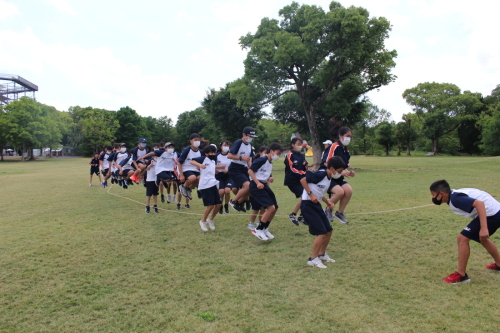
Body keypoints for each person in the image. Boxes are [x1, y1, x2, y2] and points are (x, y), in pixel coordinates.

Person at [430, 180, 500, 284]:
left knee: (462, 238)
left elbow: (479, 204)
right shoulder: (454, 196)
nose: (433, 198)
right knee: (483, 239)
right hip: (494, 210)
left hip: (493, 214)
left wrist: (484, 228)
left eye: (433, 194)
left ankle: (461, 275)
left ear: (441, 194)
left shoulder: (456, 199)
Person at [300, 156, 346, 268]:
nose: (339, 173)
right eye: (339, 171)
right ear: (331, 168)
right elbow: (303, 180)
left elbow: (319, 191)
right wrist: (310, 194)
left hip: (316, 205)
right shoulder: (321, 174)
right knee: (321, 232)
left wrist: (328, 202)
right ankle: (313, 259)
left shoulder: (329, 178)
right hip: (308, 205)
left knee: (328, 230)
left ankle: (321, 255)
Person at [248, 143, 284, 241]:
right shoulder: (261, 160)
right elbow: (250, 171)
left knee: (275, 207)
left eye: (280, 154)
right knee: (270, 207)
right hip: (256, 186)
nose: (278, 156)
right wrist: (257, 183)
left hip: (264, 185)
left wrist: (269, 178)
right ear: (271, 151)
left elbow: (262, 173)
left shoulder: (270, 162)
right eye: (278, 153)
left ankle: (264, 228)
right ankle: (258, 229)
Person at [323, 126, 355, 224]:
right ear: (340, 136)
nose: (348, 138)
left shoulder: (346, 151)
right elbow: (326, 163)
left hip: (338, 176)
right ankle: (327, 210)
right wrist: (340, 171)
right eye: (347, 136)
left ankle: (339, 213)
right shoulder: (334, 146)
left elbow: (343, 166)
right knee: (340, 192)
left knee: (348, 191)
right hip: (328, 175)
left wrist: (349, 172)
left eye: (350, 136)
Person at [190, 145, 226, 231]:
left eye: (214, 152)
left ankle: (210, 219)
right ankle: (202, 221)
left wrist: (215, 169)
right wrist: (200, 165)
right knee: (210, 205)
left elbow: (210, 167)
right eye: (211, 152)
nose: (213, 154)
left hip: (213, 183)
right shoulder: (203, 158)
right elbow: (192, 162)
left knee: (219, 204)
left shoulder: (213, 160)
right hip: (205, 185)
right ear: (206, 153)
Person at [227, 126, 257, 212]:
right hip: (235, 168)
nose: (250, 138)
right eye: (249, 136)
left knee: (252, 188)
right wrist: (241, 158)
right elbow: (229, 155)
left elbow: (249, 159)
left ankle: (239, 202)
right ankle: (233, 201)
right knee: (247, 186)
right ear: (244, 135)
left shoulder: (250, 145)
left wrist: (252, 169)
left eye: (252, 137)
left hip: (244, 169)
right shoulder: (238, 143)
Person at [284, 137, 308, 226]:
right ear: (292, 145)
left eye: (301, 144)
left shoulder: (302, 155)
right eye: (298, 144)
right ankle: (293, 215)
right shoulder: (290, 155)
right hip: (292, 181)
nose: (300, 146)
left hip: (301, 180)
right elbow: (292, 169)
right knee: (304, 196)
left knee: (306, 197)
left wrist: (306, 165)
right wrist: (304, 172)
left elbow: (304, 167)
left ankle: (301, 216)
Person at [177, 134, 202, 200]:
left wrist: (200, 166)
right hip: (186, 169)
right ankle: (183, 186)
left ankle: (188, 189)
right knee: (192, 178)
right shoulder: (187, 150)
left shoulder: (200, 151)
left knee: (200, 178)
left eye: (198, 140)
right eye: (195, 140)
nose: (197, 141)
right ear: (191, 141)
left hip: (196, 170)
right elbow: (179, 162)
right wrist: (181, 175)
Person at [216, 140, 237, 214]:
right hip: (219, 176)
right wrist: (219, 167)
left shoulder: (231, 155)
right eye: (224, 145)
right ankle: (220, 206)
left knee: (227, 191)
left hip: (229, 175)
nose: (226, 147)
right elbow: (211, 165)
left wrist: (228, 170)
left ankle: (226, 205)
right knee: (221, 192)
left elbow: (235, 166)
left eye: (227, 145)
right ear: (221, 146)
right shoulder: (217, 155)